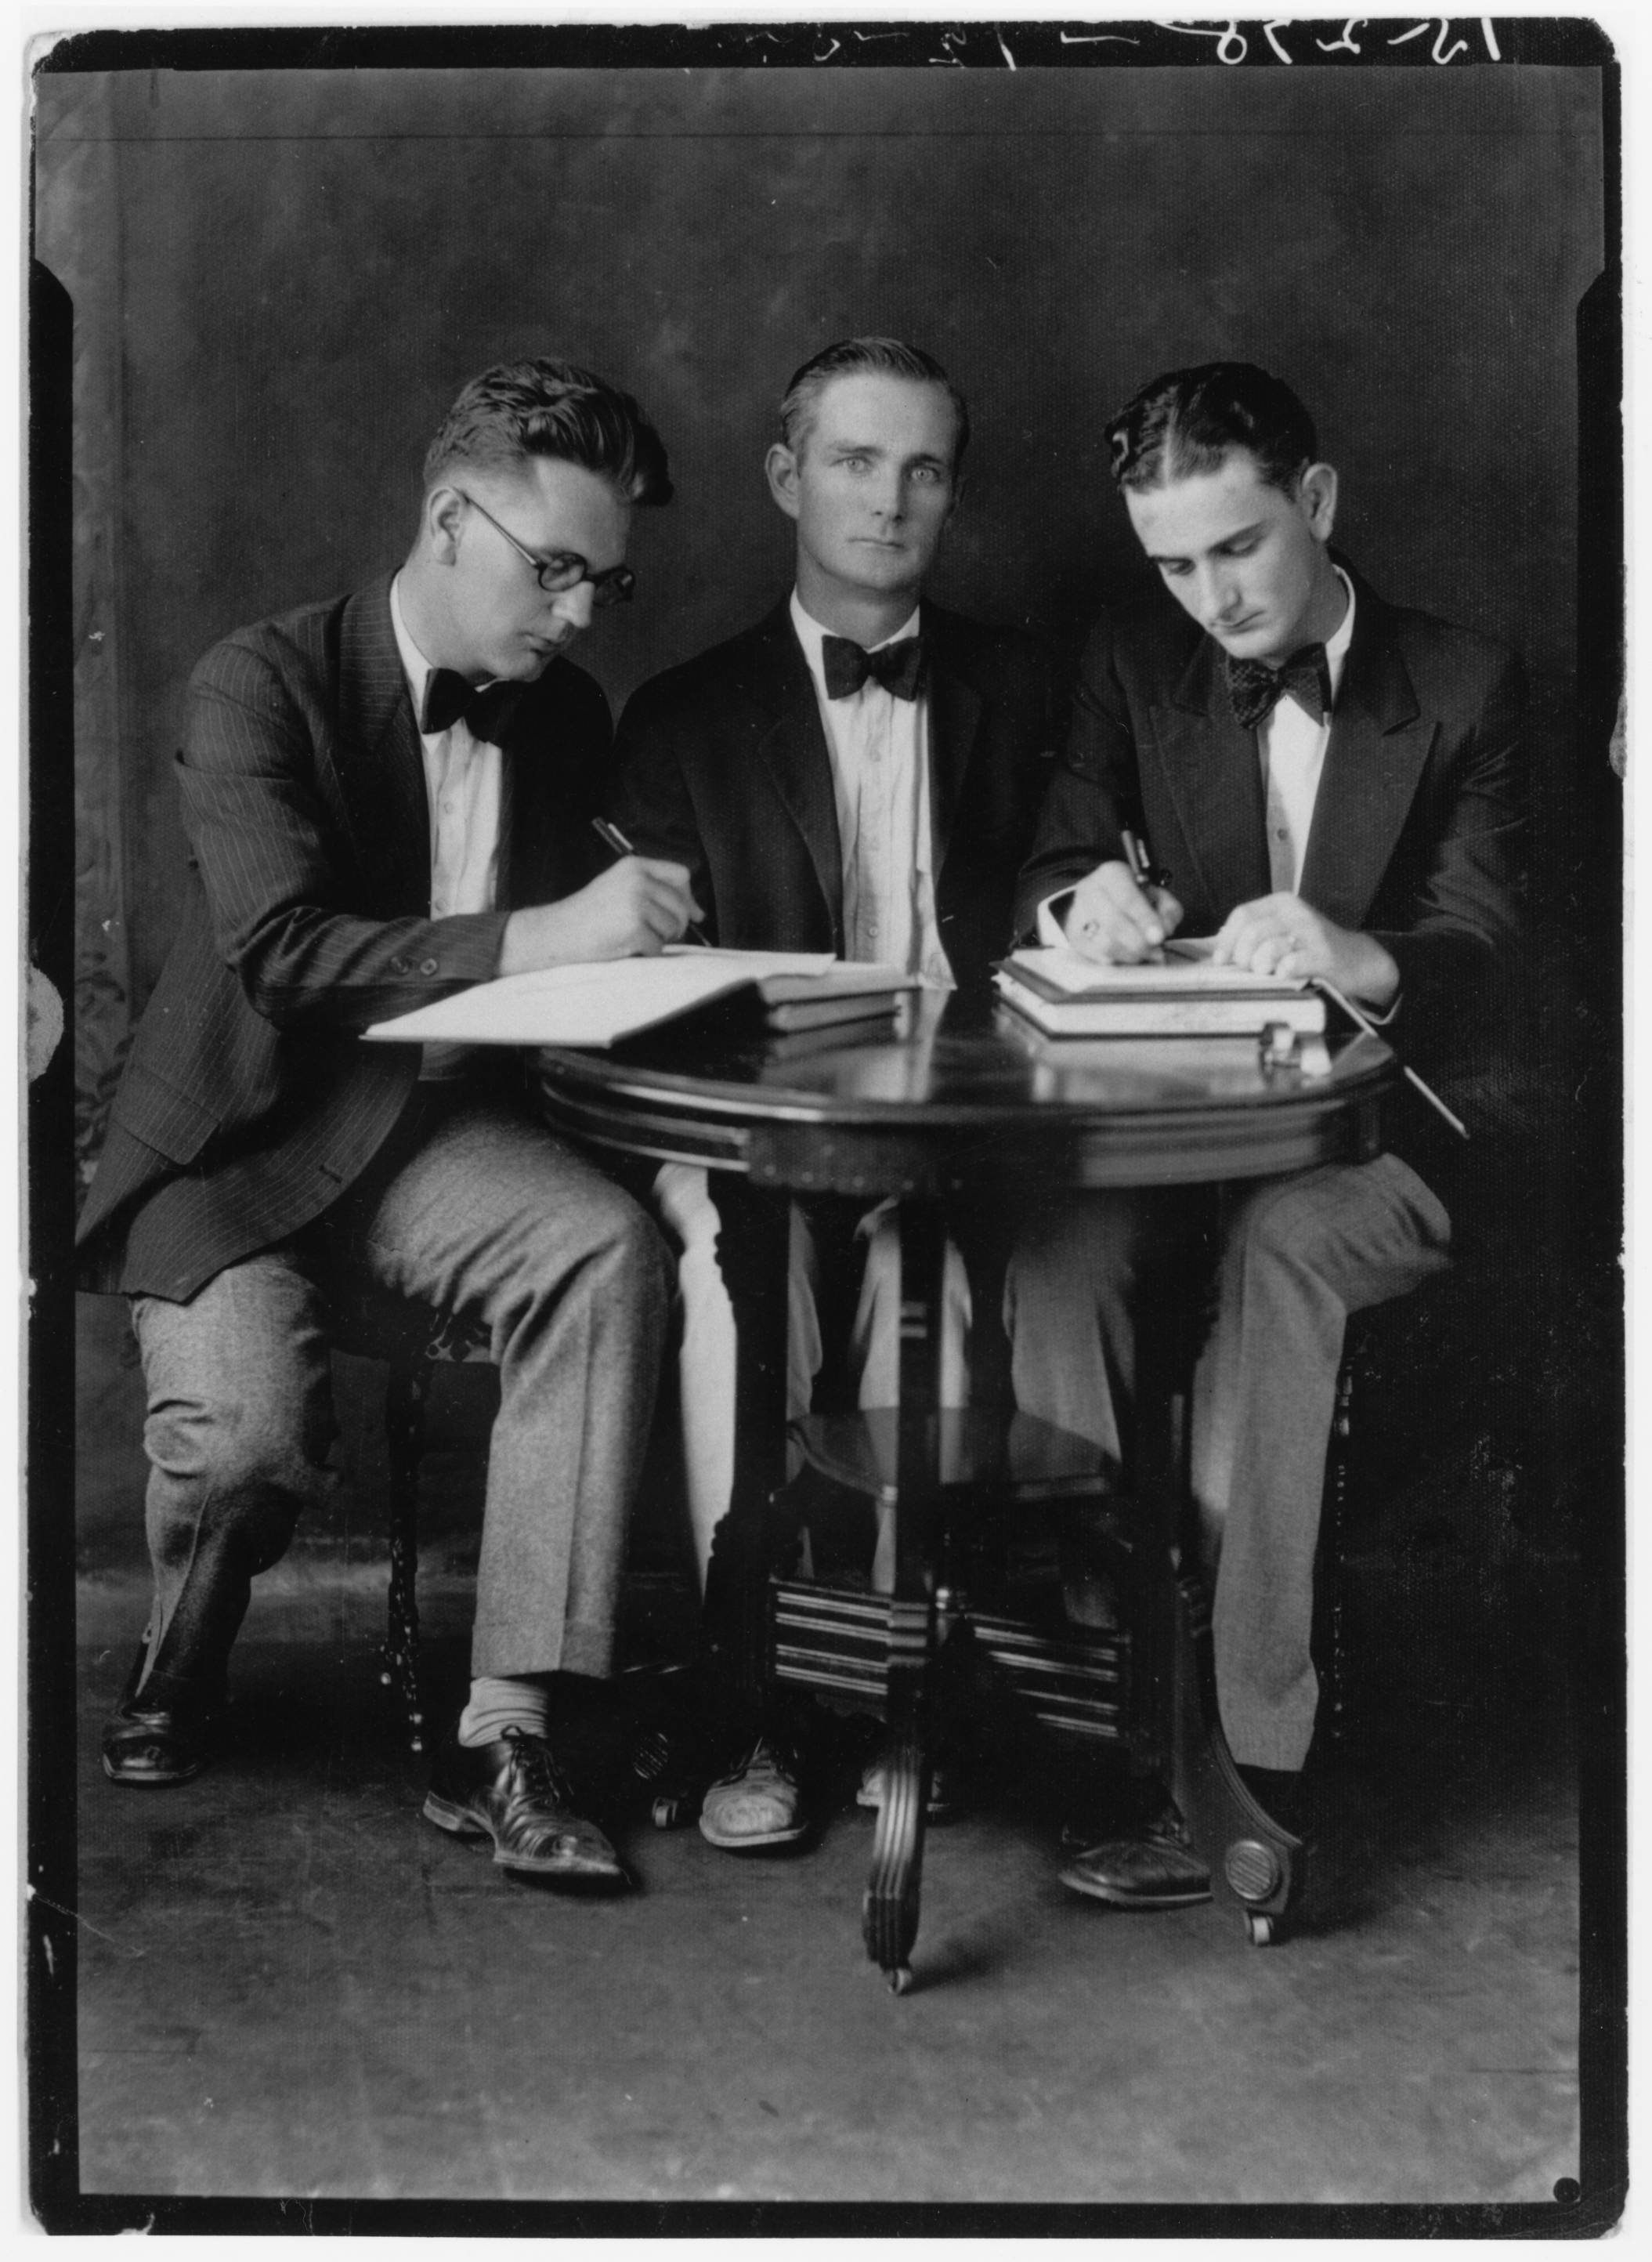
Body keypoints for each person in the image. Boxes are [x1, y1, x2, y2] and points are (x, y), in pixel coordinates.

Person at [75, 357, 703, 1890]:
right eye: (549, 569)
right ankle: (182, 1653)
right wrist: (542, 940)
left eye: (601, 586)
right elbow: (280, 950)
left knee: (603, 1249)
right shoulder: (259, 682)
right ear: (445, 518)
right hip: (243, 1143)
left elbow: (572, 963)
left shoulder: (563, 720)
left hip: (432, 1147)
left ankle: (508, 1724)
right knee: (243, 1453)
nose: (573, 616)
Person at [1006, 361, 1526, 1908]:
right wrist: (1071, 897)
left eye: (1234, 546)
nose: (1206, 596)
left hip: (1393, 1141)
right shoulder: (1131, 656)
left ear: (1315, 499)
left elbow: (1492, 945)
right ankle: (1094, 1710)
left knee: (1283, 1254)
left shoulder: (1468, 680)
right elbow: (1052, 836)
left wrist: (1354, 952)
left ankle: (1247, 1757)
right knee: (1051, 1256)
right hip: (1176, 1138)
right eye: (1171, 561)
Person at [607, 337, 1061, 1849]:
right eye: (856, 463)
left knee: (912, 1321)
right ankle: (756, 1705)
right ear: (788, 479)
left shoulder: (1024, 688)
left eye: (923, 468)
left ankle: (880, 1702)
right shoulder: (677, 716)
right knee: (746, 1300)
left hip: (961, 1136)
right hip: (750, 1130)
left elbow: (1066, 919)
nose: (890, 500)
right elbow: (644, 1009)